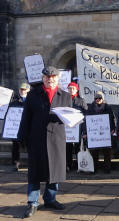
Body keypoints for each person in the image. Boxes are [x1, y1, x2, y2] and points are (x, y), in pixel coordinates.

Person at [18, 66, 72, 218]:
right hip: (37, 139)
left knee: (53, 171)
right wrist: (22, 136)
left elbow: (70, 117)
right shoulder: (33, 95)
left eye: (53, 77)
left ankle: (50, 199)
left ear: (58, 78)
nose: (50, 79)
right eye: (47, 77)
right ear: (43, 78)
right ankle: (32, 202)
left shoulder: (66, 96)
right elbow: (26, 117)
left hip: (56, 139)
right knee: (35, 173)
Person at [85, 91, 116, 174]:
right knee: (94, 152)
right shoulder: (90, 107)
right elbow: (86, 120)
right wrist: (86, 132)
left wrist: (112, 129)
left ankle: (107, 168)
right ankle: (94, 168)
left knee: (107, 152)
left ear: (103, 99)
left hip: (105, 133)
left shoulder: (107, 107)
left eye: (100, 98)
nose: (98, 99)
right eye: (96, 98)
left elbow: (112, 119)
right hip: (94, 133)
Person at [66, 82, 87, 172]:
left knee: (78, 148)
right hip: (68, 129)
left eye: (73, 88)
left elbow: (85, 115)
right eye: (69, 88)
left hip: (78, 128)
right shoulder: (64, 100)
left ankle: (79, 165)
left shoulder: (81, 101)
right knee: (68, 148)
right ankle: (68, 165)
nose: (71, 90)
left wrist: (84, 131)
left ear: (76, 90)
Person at [10, 82, 30, 171]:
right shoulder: (14, 100)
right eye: (21, 89)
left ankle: (32, 163)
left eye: (24, 89)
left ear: (28, 90)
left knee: (30, 145)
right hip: (16, 127)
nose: (22, 91)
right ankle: (16, 163)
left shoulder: (31, 100)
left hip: (28, 127)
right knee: (16, 146)